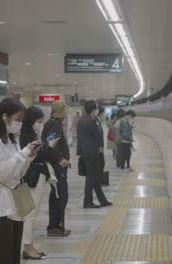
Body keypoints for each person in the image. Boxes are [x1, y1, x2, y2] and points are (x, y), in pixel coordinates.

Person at [0, 98, 38, 264]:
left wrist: (28, 159)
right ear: (5, 117)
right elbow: (3, 172)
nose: (19, 123)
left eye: (21, 120)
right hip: (0, 208)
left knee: (13, 256)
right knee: (1, 257)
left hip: (15, 205)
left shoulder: (12, 140)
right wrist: (24, 152)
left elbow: (18, 172)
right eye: (18, 119)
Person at [19, 106, 59, 260]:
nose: (40, 124)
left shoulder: (29, 132)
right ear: (31, 120)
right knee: (30, 214)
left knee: (31, 213)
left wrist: (45, 144)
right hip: (33, 177)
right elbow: (36, 156)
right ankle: (28, 248)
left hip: (35, 175)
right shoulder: (27, 134)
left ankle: (30, 245)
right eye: (39, 121)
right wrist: (49, 146)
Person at [42, 101, 71, 237]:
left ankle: (54, 225)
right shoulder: (55, 124)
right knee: (61, 195)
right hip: (57, 167)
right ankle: (53, 226)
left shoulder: (51, 123)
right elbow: (50, 143)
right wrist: (60, 159)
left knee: (56, 195)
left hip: (55, 166)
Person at [77, 101, 112, 208]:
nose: (97, 110)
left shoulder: (83, 119)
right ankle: (87, 202)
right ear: (93, 110)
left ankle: (102, 200)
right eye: (96, 108)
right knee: (91, 178)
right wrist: (100, 150)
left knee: (95, 178)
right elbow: (97, 136)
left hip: (86, 152)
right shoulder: (91, 121)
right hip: (92, 153)